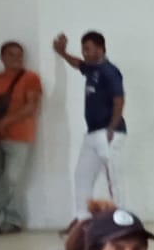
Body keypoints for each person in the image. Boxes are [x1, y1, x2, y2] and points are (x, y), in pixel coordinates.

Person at [53, 30, 127, 216]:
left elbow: (119, 100)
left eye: (88, 49)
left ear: (100, 49)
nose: (84, 53)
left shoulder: (110, 71)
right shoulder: (92, 68)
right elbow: (78, 64)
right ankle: (83, 219)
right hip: (92, 134)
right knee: (82, 177)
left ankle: (121, 221)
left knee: (112, 180)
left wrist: (111, 128)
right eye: (83, 49)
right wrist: (62, 53)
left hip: (108, 133)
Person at [0, 41, 42, 235]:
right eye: (11, 54)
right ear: (2, 57)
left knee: (11, 178)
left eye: (20, 55)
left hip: (20, 136)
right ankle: (13, 220)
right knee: (2, 179)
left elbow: (31, 106)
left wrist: (7, 121)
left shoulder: (31, 78)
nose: (17, 58)